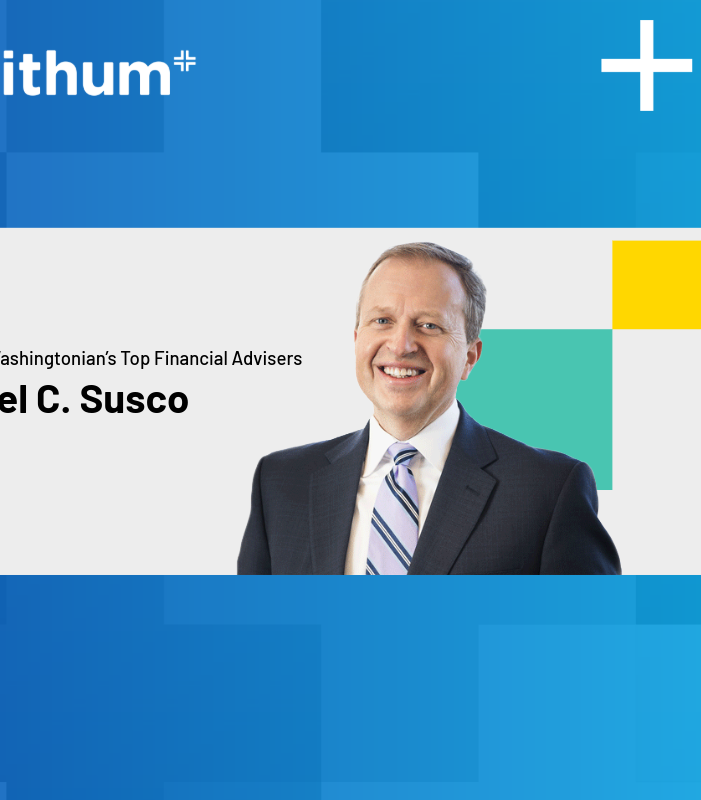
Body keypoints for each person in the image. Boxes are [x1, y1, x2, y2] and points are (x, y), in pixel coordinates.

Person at [237, 242, 621, 575]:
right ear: (357, 340)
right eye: (382, 320)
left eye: (429, 325)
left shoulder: (549, 491)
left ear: (471, 356)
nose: (401, 344)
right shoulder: (281, 483)